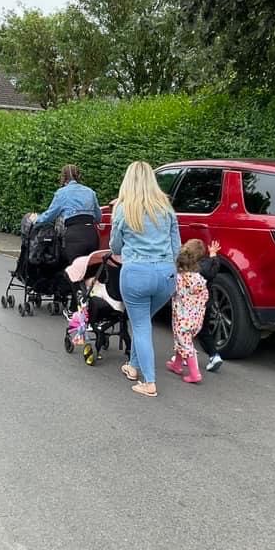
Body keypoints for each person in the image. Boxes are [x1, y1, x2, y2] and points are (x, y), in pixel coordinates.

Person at [110, 161, 180, 398]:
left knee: (140, 325)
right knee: (144, 321)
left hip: (136, 273)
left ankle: (149, 382)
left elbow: (115, 246)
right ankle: (133, 367)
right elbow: (176, 247)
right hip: (166, 275)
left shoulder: (123, 209)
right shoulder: (166, 207)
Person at [34, 164, 102, 263]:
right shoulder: (90, 192)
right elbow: (98, 217)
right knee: (89, 271)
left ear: (63, 177)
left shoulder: (62, 193)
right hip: (91, 235)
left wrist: (36, 219)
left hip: (74, 236)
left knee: (72, 271)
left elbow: (50, 216)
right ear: (79, 176)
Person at [166, 239, 210, 383]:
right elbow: (205, 297)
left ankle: (194, 373)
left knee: (185, 343)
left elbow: (172, 293)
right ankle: (177, 364)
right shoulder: (199, 279)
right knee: (182, 340)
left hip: (182, 318)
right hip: (196, 318)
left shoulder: (179, 279)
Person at [197, 240, 223, 373]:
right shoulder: (209, 268)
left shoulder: (192, 269)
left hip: (192, 307)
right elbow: (215, 265)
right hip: (206, 304)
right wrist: (213, 254)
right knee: (204, 332)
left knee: (185, 332)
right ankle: (214, 355)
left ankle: (184, 356)